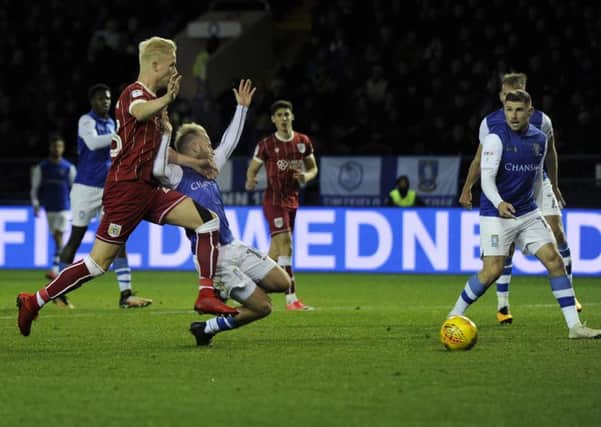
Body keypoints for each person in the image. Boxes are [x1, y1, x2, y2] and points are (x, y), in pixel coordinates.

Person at [17, 36, 237, 338]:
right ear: (155, 64)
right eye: (171, 64)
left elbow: (154, 155)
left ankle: (206, 294)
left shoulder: (153, 103)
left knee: (206, 222)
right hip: (126, 191)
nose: (174, 70)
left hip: (149, 188)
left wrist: (166, 132)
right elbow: (137, 111)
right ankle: (35, 301)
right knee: (98, 263)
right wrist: (165, 101)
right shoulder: (134, 93)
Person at [448, 89, 600, 339]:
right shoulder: (496, 138)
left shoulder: (539, 139)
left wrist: (539, 206)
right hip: (496, 214)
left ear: (530, 111)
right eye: (509, 110)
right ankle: (454, 314)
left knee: (554, 259)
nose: (514, 115)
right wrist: (498, 203)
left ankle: (575, 327)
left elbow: (537, 178)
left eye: (519, 110)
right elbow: (486, 180)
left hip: (527, 212)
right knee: (492, 271)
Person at [154, 79, 291, 346]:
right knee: (263, 308)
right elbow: (157, 167)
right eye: (206, 140)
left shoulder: (210, 166)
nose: (212, 144)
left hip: (234, 245)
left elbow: (230, 140)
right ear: (194, 146)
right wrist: (166, 133)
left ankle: (229, 293)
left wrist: (241, 108)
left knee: (282, 282)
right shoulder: (176, 175)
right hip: (213, 258)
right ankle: (208, 327)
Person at [58, 83, 152, 309]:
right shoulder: (86, 121)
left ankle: (125, 294)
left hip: (109, 189)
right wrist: (122, 132)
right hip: (85, 189)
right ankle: (59, 292)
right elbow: (92, 143)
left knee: (118, 238)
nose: (105, 102)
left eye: (108, 99)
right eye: (101, 99)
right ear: (93, 101)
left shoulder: (111, 123)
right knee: (76, 238)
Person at [245, 100, 318, 311]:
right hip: (274, 201)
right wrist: (251, 180)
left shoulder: (303, 142)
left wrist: (306, 176)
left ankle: (248, 290)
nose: (284, 118)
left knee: (275, 254)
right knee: (287, 244)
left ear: (292, 117)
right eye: (279, 115)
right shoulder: (266, 145)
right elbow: (252, 169)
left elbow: (313, 169)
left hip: (293, 201)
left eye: (287, 114)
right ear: (273, 120)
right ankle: (291, 298)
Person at [30, 136, 76, 282]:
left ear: (63, 148)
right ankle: (60, 268)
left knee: (58, 235)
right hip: (49, 208)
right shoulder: (42, 167)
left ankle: (56, 269)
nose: (57, 149)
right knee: (57, 238)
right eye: (55, 146)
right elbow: (35, 188)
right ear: (50, 148)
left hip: (64, 207)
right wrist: (36, 204)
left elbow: (75, 189)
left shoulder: (68, 167)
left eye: (60, 146)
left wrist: (76, 206)